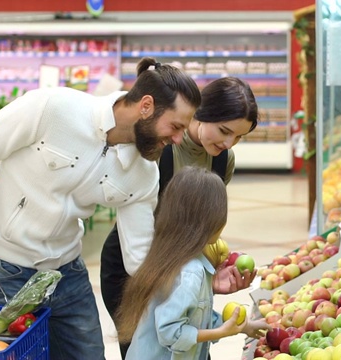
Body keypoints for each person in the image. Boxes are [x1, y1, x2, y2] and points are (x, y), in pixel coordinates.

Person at [0, 57, 201, 360]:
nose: (177, 139)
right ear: (146, 106)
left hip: (67, 272)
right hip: (4, 269)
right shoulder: (53, 108)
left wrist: (191, 281)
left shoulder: (144, 173)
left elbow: (138, 256)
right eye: (175, 126)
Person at [100, 77, 259, 357]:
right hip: (132, 265)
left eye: (239, 137)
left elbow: (198, 223)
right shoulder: (161, 147)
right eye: (224, 130)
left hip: (176, 268)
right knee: (150, 349)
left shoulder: (224, 160)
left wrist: (208, 276)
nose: (229, 142)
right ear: (199, 112)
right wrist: (191, 280)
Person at [115, 166, 270, 360]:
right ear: (210, 219)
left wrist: (242, 326)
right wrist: (221, 332)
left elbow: (196, 317)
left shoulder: (175, 257)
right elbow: (171, 333)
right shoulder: (191, 271)